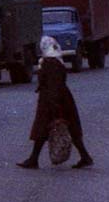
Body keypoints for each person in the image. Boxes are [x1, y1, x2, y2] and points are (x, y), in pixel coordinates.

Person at [18, 36, 94, 169]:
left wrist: (55, 108)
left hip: (51, 101)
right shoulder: (56, 61)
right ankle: (84, 156)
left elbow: (53, 85)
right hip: (62, 99)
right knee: (69, 128)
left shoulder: (50, 63)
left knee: (42, 128)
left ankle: (33, 159)